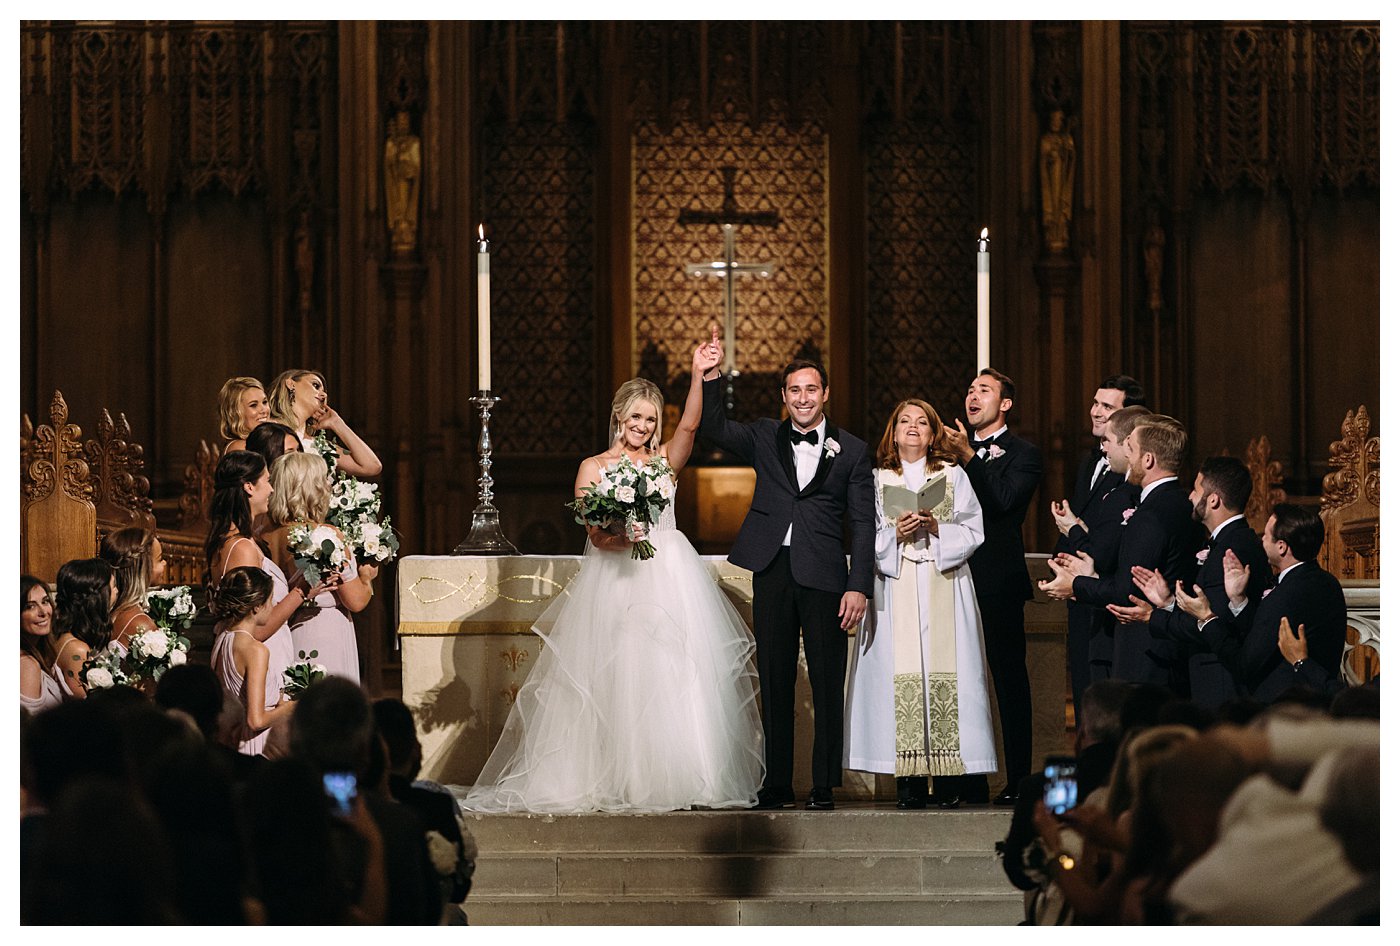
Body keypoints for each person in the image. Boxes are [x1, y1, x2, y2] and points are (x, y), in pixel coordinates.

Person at [462, 359, 764, 813]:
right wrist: (625, 535)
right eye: (636, 416)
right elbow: (597, 537)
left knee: (674, 674)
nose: (643, 426)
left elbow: (693, 424)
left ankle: (677, 776)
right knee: (619, 677)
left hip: (669, 576)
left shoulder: (664, 463)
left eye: (651, 418)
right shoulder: (593, 467)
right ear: (619, 417)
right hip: (618, 582)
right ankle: (621, 777)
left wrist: (701, 374)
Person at [698, 328, 874, 811]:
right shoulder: (762, 436)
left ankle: (822, 785)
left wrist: (858, 585)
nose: (802, 398)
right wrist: (711, 374)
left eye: (811, 389)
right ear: (784, 396)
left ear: (825, 395)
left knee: (825, 679)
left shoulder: (854, 451)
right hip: (771, 567)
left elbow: (862, 523)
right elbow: (713, 426)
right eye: (794, 390)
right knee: (774, 679)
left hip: (825, 577)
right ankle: (776, 784)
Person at [844, 399, 995, 810]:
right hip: (895, 584)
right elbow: (863, 534)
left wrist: (936, 527)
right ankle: (908, 781)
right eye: (905, 421)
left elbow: (974, 528)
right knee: (902, 677)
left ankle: (949, 781)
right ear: (893, 433)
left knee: (950, 676)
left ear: (933, 434)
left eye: (922, 422)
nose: (913, 427)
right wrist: (894, 533)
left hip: (944, 580)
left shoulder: (953, 475)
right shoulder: (876, 479)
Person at [1043, 416, 1203, 690]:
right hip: (1168, 647)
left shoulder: (1150, 515)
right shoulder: (1180, 502)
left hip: (1146, 655)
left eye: (1130, 448)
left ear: (1148, 460)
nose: (1125, 456)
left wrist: (1076, 584)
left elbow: (1126, 593)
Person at [942, 368, 1042, 805]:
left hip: (996, 581)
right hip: (949, 577)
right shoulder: (944, 452)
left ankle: (1018, 777)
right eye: (969, 390)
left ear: (1005, 404)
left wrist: (969, 457)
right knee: (960, 679)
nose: (972, 396)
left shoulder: (1024, 454)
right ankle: (965, 780)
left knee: (1008, 680)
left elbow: (1002, 503)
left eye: (984, 390)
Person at [1121, 457, 1273, 709]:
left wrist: (1153, 616)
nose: (1190, 497)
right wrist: (1168, 601)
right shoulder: (1230, 541)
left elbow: (1212, 622)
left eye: (1196, 489)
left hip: (1222, 682)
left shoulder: (1231, 549)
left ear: (1213, 499)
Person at [1050, 377, 1145, 716]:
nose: (1096, 411)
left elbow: (1110, 533)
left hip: (1107, 594)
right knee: (1082, 692)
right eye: (1095, 403)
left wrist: (1076, 530)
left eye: (1107, 406)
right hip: (1080, 591)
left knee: (1105, 702)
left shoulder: (1132, 473)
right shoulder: (1091, 461)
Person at [1186, 503, 1347, 703]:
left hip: (1286, 708)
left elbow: (1244, 665)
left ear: (1282, 546)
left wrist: (1207, 618)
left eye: (1267, 534)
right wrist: (1239, 599)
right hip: (1316, 700)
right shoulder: (1327, 582)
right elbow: (1265, 635)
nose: (1261, 538)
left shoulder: (1287, 593)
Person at [205, 450, 330, 702]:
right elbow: (253, 628)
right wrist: (302, 591)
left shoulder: (237, 540)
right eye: (267, 481)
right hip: (260, 654)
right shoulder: (241, 548)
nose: (272, 490)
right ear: (249, 487)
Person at [263, 452, 376, 684]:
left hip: (285, 632)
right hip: (325, 632)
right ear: (311, 488)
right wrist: (366, 578)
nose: (329, 485)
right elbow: (355, 601)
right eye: (324, 479)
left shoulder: (264, 536)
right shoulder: (325, 535)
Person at [208, 566, 298, 756]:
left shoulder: (222, 639)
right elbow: (255, 720)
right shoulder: (256, 650)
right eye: (270, 600)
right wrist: (292, 707)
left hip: (231, 744)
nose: (273, 606)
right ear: (257, 606)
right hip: (256, 746)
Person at [267, 368, 382, 477]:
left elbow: (372, 466)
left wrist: (338, 424)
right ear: (291, 384)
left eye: (324, 392)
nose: (324, 395)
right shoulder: (266, 428)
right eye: (316, 386)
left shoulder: (321, 446)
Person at [48, 558, 117, 700]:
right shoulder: (77, 649)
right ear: (98, 597)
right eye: (113, 586)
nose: (117, 591)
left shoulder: (68, 635)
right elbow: (87, 705)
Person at [98, 526, 167, 655]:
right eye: (159, 559)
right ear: (143, 569)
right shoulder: (140, 624)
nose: (165, 563)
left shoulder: (114, 611)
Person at [20, 575, 64, 714]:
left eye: (45, 602)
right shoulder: (27, 664)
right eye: (30, 606)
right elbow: (26, 730)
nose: (43, 612)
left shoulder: (40, 653)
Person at [218, 376, 270, 454]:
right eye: (253, 405)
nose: (264, 410)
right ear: (235, 413)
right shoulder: (240, 448)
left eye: (264, 402)